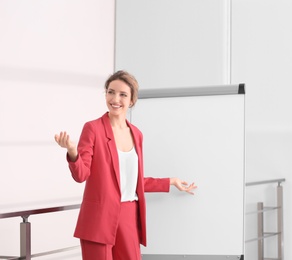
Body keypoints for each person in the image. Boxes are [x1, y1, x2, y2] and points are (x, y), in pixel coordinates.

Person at [54, 70, 197, 260]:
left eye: (123, 94)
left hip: (129, 215)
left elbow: (133, 181)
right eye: (111, 92)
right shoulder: (93, 129)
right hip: (99, 218)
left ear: (131, 101)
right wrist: (73, 151)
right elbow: (81, 175)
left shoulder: (136, 134)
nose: (115, 99)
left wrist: (171, 181)